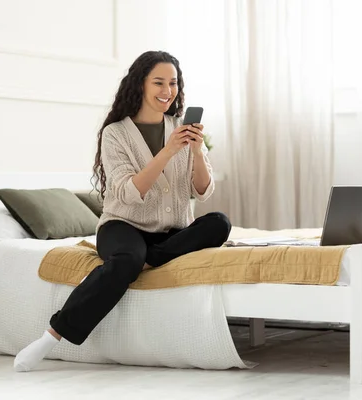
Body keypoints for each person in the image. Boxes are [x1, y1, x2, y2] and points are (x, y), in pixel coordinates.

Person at [14, 50, 231, 372]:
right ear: (140, 85)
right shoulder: (116, 133)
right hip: (124, 226)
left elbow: (203, 190)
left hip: (170, 231)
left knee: (219, 223)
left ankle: (150, 257)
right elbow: (129, 193)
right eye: (158, 82)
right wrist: (168, 151)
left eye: (173, 83)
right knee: (125, 261)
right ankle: (52, 335)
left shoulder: (180, 127)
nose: (167, 90)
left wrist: (197, 151)